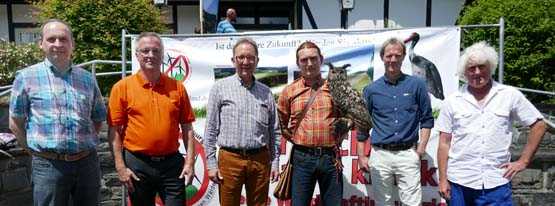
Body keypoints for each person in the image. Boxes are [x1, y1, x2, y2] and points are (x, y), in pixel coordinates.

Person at [9, 19, 107, 206]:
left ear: (72, 44)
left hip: (87, 164)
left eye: (63, 39)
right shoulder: (26, 78)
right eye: (51, 39)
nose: (57, 44)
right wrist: (34, 151)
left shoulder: (87, 79)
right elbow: (15, 122)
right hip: (48, 165)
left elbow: (97, 118)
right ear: (41, 44)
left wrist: (83, 143)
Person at [436, 41, 546, 206]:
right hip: (459, 182)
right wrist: (443, 179)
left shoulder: (509, 95)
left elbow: (539, 125)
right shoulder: (452, 101)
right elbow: (444, 143)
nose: (477, 72)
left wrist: (523, 161)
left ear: (491, 67)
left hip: (497, 182)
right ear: (464, 72)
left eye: (482, 67)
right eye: (471, 68)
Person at [107, 32, 196, 206]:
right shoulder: (122, 88)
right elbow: (114, 131)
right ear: (137, 55)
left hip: (172, 165)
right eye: (145, 51)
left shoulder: (177, 87)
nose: (151, 55)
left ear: (162, 55)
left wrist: (190, 162)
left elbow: (188, 128)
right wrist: (120, 167)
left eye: (155, 51)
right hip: (137, 164)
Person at [356, 37, 434, 206]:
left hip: (407, 154)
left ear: (403, 56)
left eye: (397, 55)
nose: (393, 60)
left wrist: (420, 150)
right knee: (383, 203)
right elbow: (362, 125)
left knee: (412, 203)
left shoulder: (417, 85)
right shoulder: (371, 90)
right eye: (389, 55)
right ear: (382, 57)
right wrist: (362, 155)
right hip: (380, 155)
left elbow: (427, 120)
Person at [203, 38, 280, 206]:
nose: (246, 62)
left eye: (250, 57)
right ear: (233, 60)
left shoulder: (266, 92)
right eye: (241, 57)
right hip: (230, 159)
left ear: (257, 61)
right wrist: (210, 164)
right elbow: (210, 130)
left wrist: (274, 162)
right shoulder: (220, 88)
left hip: (260, 160)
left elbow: (275, 131)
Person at [277, 41, 344, 206]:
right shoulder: (289, 91)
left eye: (314, 58)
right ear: (298, 63)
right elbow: (282, 123)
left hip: (330, 158)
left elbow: (347, 118)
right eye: (304, 60)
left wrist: (338, 138)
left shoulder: (336, 88)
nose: (309, 64)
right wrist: (299, 138)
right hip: (302, 157)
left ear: (321, 59)